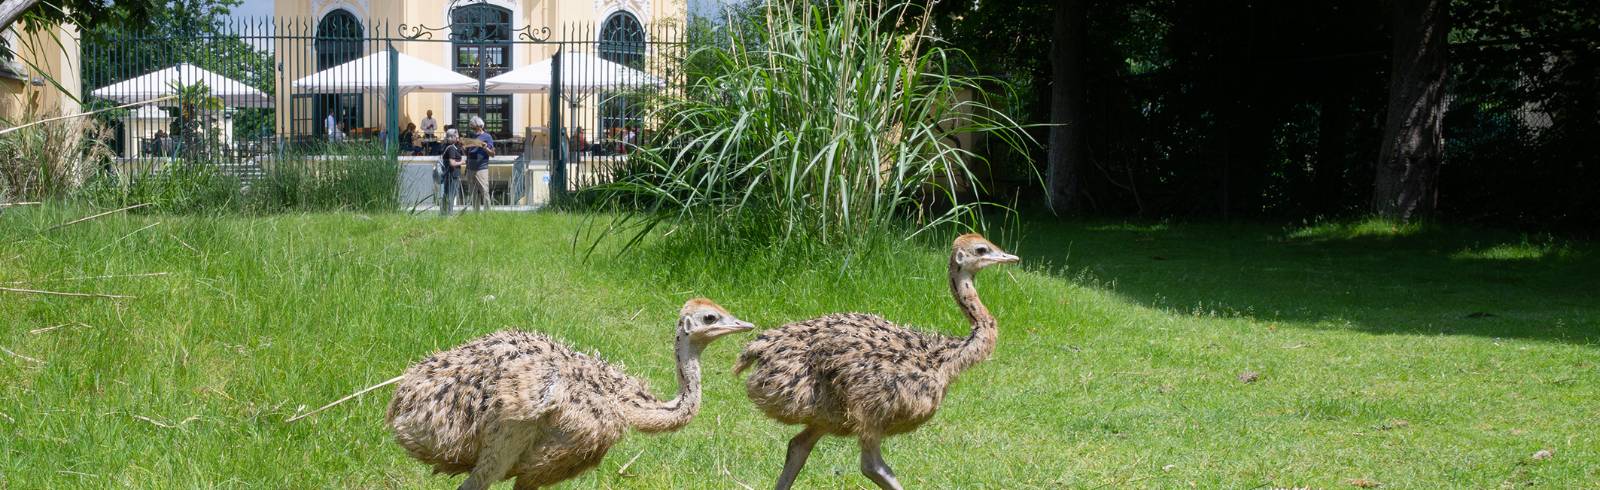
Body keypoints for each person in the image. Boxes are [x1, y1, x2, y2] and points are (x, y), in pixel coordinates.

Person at [462, 116, 496, 212]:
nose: (471, 128)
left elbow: (492, 154)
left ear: (479, 126)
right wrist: (463, 149)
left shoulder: (487, 137)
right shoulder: (471, 137)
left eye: (473, 126)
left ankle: (487, 213)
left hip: (481, 168)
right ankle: (475, 213)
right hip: (470, 168)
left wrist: (485, 148)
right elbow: (467, 153)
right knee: (473, 192)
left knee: (484, 191)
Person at [438, 129, 465, 216]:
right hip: (452, 175)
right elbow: (452, 163)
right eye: (457, 136)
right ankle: (449, 214)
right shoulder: (451, 149)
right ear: (452, 137)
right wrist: (462, 162)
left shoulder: (449, 146)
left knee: (447, 194)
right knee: (451, 195)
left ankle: (444, 213)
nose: (458, 138)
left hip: (450, 174)